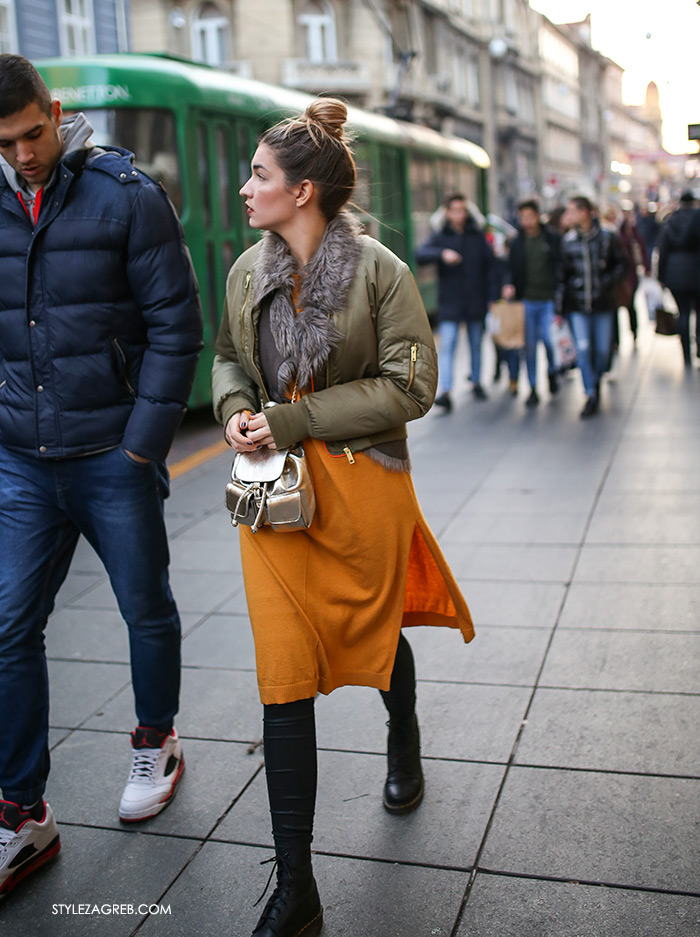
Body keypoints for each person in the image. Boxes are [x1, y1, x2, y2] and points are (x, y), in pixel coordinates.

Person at [212, 98, 474, 937]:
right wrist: (234, 408)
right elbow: (226, 356)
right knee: (283, 675)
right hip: (276, 502)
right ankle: (297, 888)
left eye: (258, 175)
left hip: (362, 493)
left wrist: (290, 417)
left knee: (373, 631)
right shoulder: (245, 272)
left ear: (305, 192)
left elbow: (411, 387)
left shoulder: (380, 270)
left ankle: (403, 729)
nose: (244, 188)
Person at [0, 55, 203, 896]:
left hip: (112, 453)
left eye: (33, 133)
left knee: (143, 606)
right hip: (20, 459)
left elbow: (176, 326)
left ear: (57, 111)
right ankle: (21, 812)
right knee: (8, 628)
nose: (23, 154)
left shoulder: (126, 195)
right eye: (6, 143)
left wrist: (143, 445)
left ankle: (156, 737)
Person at [416, 194, 498, 410]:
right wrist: (442, 254)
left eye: (462, 210)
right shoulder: (441, 236)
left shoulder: (477, 235)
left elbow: (491, 266)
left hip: (475, 299)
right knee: (448, 344)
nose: (459, 215)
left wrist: (492, 297)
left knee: (476, 343)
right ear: (447, 213)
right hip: (450, 301)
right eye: (454, 210)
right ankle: (446, 390)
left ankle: (477, 381)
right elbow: (420, 253)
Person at [556, 196, 626, 418]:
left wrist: (607, 283)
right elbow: (561, 277)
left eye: (572, 211)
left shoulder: (608, 236)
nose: (569, 216)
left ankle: (596, 378)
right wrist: (559, 309)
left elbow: (621, 264)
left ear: (585, 212)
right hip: (578, 306)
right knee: (584, 349)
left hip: (603, 304)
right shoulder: (568, 241)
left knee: (604, 350)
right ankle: (590, 392)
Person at [502, 198, 561, 407]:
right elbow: (509, 268)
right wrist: (509, 284)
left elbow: (559, 266)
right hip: (526, 301)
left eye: (530, 217)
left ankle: (553, 371)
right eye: (523, 217)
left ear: (538, 216)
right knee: (529, 347)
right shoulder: (516, 241)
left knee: (549, 340)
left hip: (549, 300)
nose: (527, 221)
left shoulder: (551, 237)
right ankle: (534, 387)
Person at [658, 190, 700, 366]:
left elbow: (663, 251)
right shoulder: (697, 218)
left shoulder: (670, 220)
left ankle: (686, 353)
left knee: (683, 312)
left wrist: (661, 277)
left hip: (675, 274)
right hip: (697, 271)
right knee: (699, 312)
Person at [616, 200, 650, 347]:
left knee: (630, 305)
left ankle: (634, 332)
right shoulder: (615, 229)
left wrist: (646, 267)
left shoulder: (632, 229)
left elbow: (641, 246)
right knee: (616, 308)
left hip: (630, 274)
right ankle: (616, 340)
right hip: (618, 275)